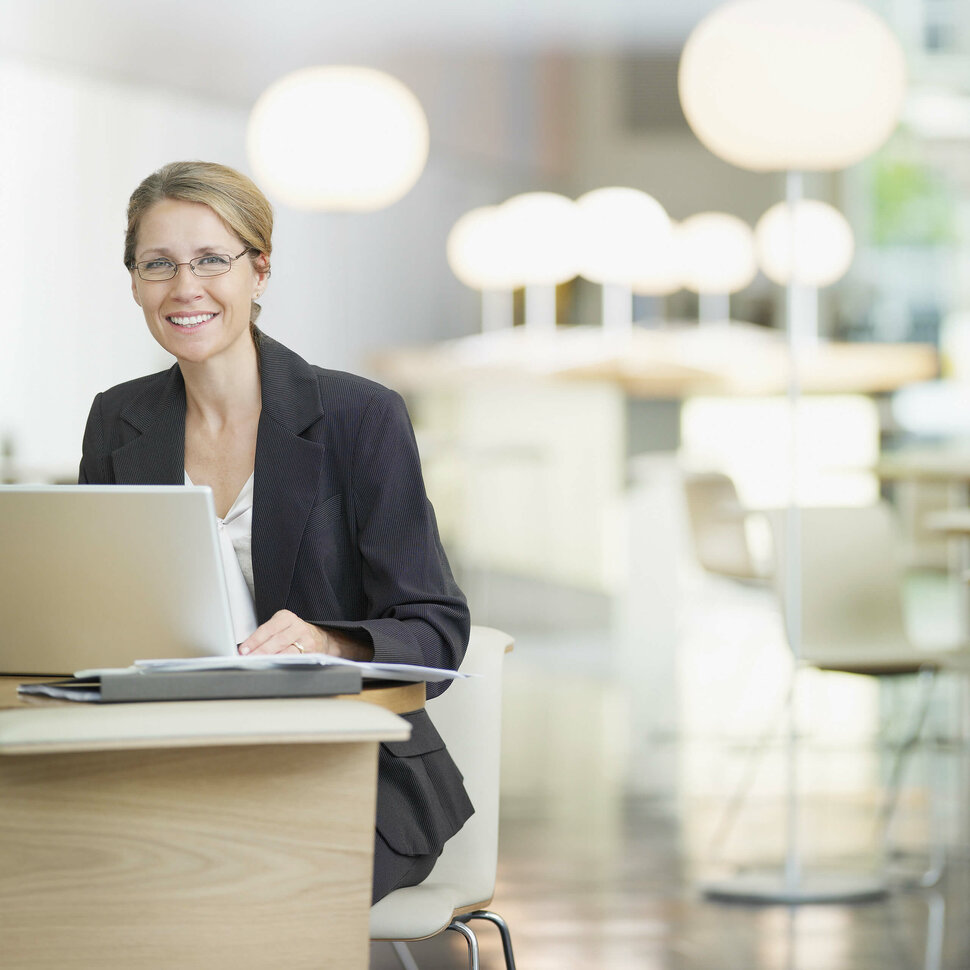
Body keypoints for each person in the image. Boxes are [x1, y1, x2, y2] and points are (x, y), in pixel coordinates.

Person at [78, 160, 473, 903]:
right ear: (134, 281)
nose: (183, 287)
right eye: (157, 263)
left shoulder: (361, 416)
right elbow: (96, 615)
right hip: (169, 765)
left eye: (210, 260)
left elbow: (437, 628)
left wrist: (329, 641)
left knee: (228, 886)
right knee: (74, 873)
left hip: (346, 772)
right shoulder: (117, 419)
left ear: (259, 271)